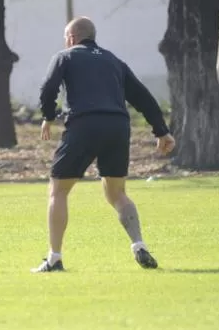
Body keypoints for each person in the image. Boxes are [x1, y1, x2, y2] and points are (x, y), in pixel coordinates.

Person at [35, 16, 175, 273]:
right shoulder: (114, 61)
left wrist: (47, 115)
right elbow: (142, 97)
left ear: (71, 38)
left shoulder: (65, 57)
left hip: (84, 124)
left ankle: (54, 258)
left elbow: (48, 88)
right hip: (117, 127)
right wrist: (161, 131)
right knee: (116, 193)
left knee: (58, 191)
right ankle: (139, 244)